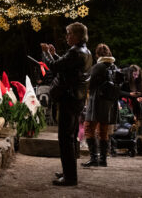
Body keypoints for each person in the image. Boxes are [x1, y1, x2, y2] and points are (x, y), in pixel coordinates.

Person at [41, 22, 92, 186]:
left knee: (65, 138)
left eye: (69, 33)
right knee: (71, 136)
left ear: (77, 36)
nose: (67, 36)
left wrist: (47, 54)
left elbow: (55, 67)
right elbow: (65, 66)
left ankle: (70, 177)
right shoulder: (86, 52)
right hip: (77, 99)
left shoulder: (75, 52)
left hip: (69, 99)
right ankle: (69, 172)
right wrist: (55, 54)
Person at [82, 43, 118, 167]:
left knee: (88, 128)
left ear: (97, 54)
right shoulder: (114, 67)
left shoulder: (98, 67)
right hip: (108, 103)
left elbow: (89, 84)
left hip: (96, 101)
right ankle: (103, 159)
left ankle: (93, 158)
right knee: (103, 131)